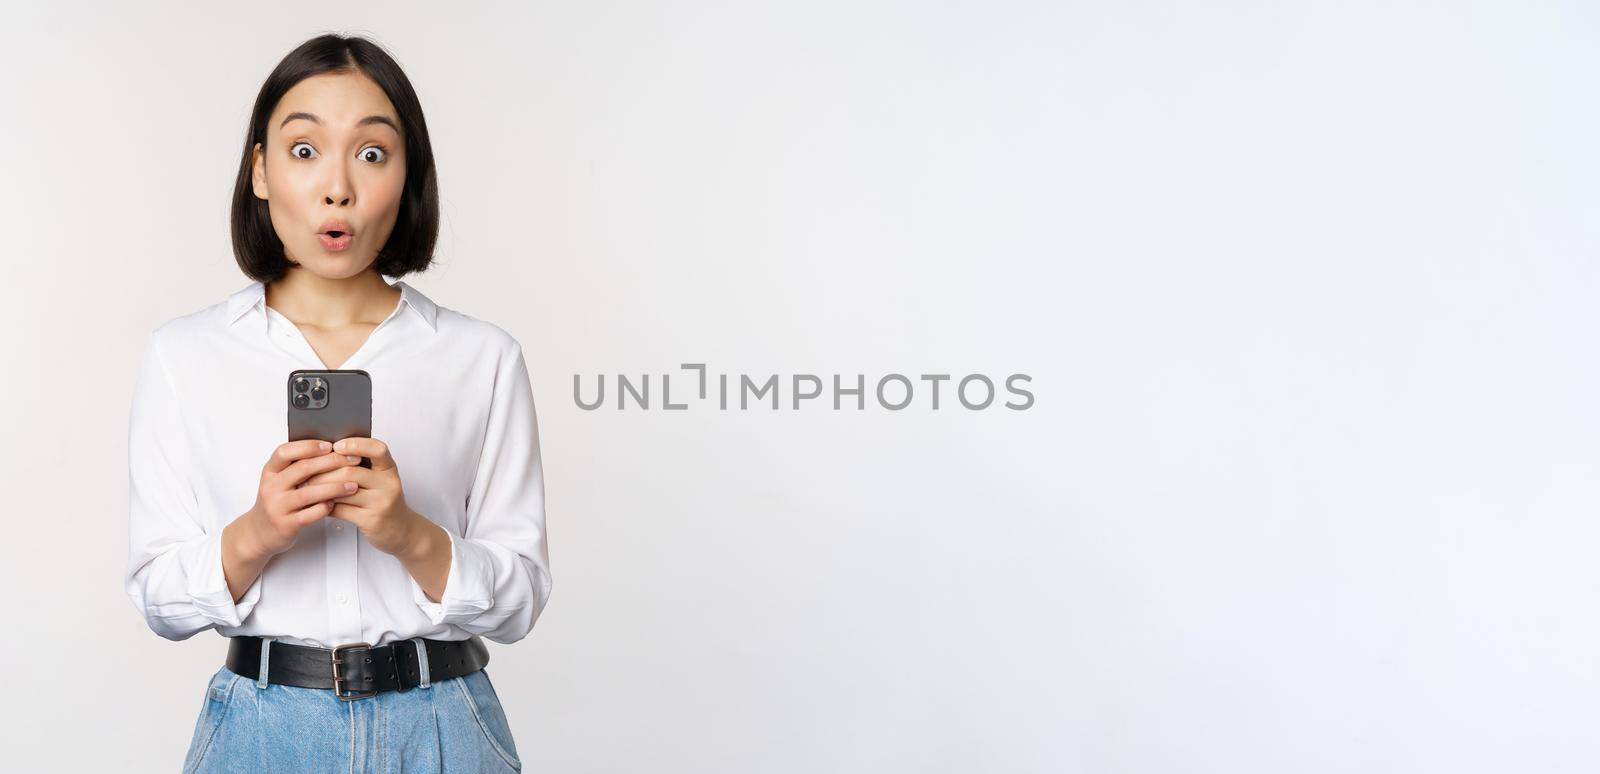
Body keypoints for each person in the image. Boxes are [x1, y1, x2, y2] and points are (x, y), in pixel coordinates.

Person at [123, 33, 551, 773]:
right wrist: (258, 532)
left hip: (443, 726)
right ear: (259, 171)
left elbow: (520, 603)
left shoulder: (481, 359)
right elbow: (158, 598)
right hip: (261, 730)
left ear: (407, 176)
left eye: (373, 153)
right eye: (303, 150)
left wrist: (409, 534)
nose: (338, 187)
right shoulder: (182, 357)